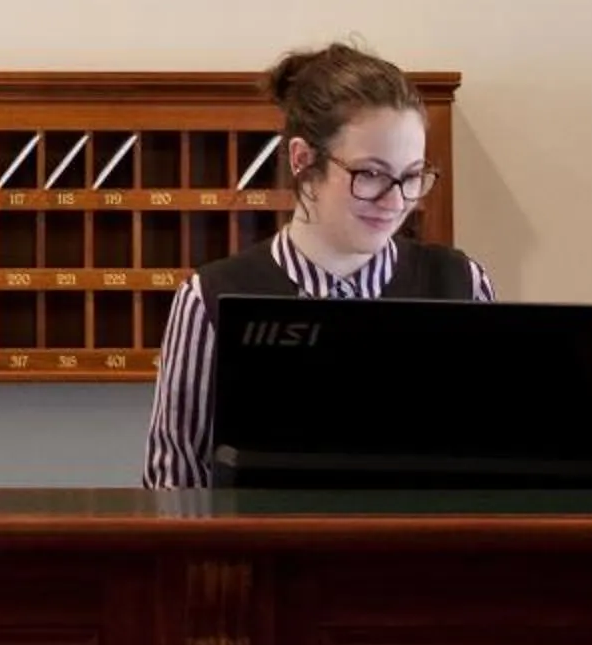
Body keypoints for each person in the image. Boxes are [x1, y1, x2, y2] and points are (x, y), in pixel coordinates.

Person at [142, 41, 494, 487]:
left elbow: (491, 470)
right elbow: (174, 480)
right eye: (370, 174)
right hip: (264, 555)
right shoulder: (210, 298)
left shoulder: (462, 284)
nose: (395, 201)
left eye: (410, 177)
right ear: (304, 161)